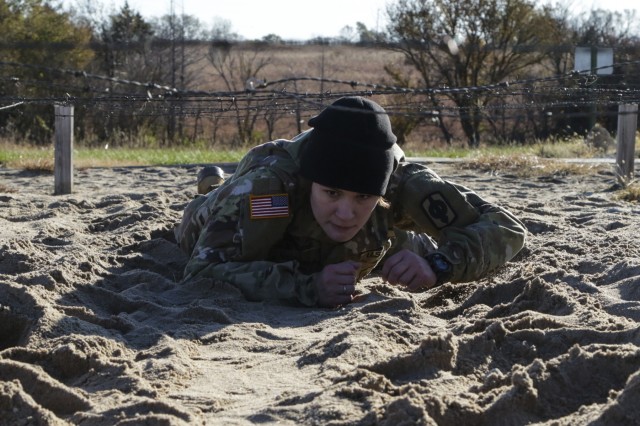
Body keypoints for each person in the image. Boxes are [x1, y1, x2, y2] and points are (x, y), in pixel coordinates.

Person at [175, 96, 526, 308]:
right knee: (211, 205)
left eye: (363, 197)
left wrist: (439, 265)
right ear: (312, 182)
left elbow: (506, 228)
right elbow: (202, 270)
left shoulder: (402, 183)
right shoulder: (269, 189)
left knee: (406, 242)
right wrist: (307, 288)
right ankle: (212, 184)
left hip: (360, 242)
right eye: (331, 194)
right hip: (240, 214)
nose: (346, 213)